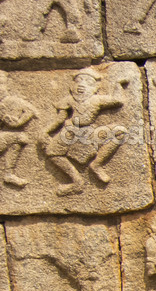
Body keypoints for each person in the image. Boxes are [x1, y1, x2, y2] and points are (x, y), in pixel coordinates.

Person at [44, 67, 125, 196]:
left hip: (89, 133)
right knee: (52, 152)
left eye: (88, 82)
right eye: (79, 81)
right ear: (72, 85)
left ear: (95, 88)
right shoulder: (68, 100)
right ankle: (77, 182)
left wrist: (118, 85)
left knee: (120, 131)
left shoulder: (96, 99)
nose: (82, 85)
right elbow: (59, 120)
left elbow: (118, 100)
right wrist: (45, 131)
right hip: (70, 132)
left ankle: (97, 165)